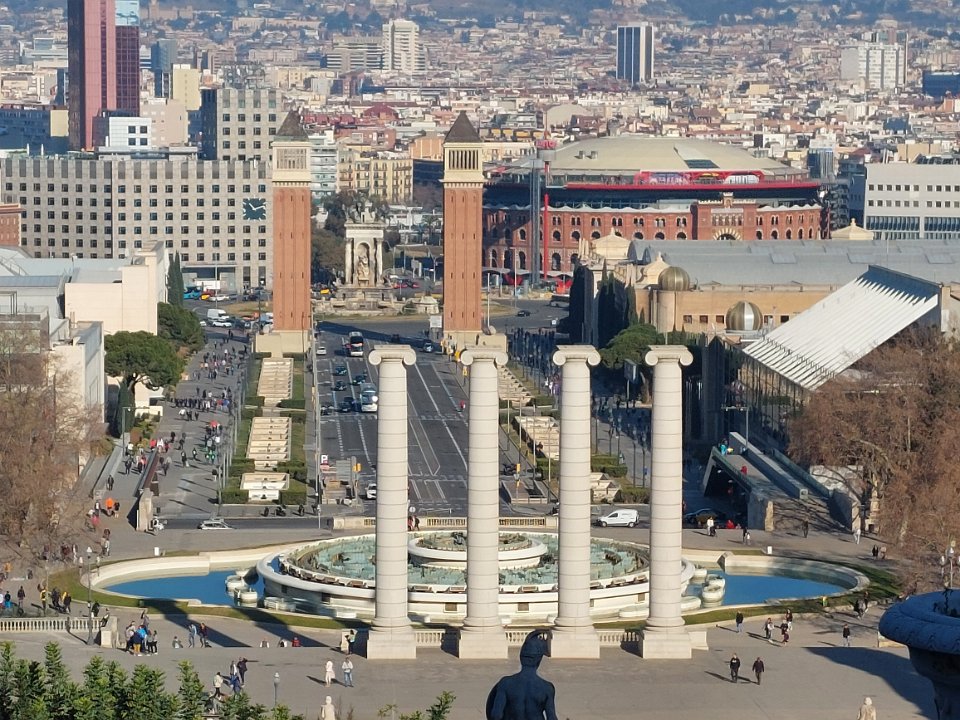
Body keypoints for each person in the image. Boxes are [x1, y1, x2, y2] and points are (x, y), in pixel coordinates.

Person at [486, 630, 557, 720]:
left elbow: (496, 715)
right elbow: (551, 718)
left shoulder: (505, 683)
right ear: (539, 660)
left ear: (521, 657)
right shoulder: (547, 688)